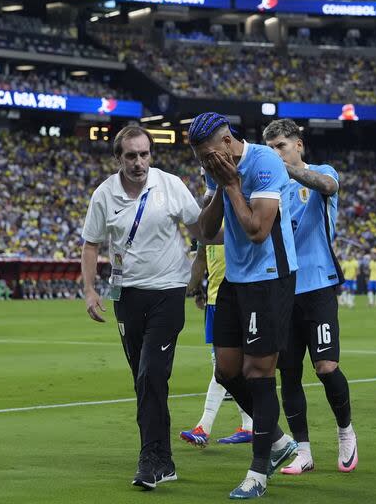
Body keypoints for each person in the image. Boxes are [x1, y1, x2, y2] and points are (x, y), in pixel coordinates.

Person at [81, 125, 204, 491]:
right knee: (145, 381)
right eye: (131, 155)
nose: (139, 162)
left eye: (145, 154)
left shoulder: (170, 185)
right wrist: (89, 290)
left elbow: (201, 229)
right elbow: (91, 244)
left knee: (151, 374)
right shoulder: (104, 194)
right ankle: (163, 460)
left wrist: (201, 275)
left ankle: (150, 459)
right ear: (118, 158)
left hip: (168, 290)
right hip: (126, 296)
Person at [192, 112, 298, 499]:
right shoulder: (214, 169)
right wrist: (220, 185)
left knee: (258, 373)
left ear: (227, 141)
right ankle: (279, 441)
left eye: (209, 155)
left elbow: (256, 231)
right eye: (201, 159)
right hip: (236, 280)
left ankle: (258, 473)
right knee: (226, 370)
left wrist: (233, 183)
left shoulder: (266, 162)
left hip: (271, 277)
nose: (206, 163)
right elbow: (205, 232)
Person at [263, 118, 357, 476]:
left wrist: (286, 170)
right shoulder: (268, 185)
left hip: (318, 283)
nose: (275, 154)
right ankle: (303, 450)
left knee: (326, 367)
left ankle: (345, 431)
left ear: (298, 144)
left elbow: (328, 185)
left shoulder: (320, 172)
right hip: (282, 286)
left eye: (281, 146)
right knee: (288, 373)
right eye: (269, 149)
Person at [180, 231, 254, 447]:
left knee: (223, 367)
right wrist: (195, 290)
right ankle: (249, 424)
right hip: (214, 301)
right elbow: (202, 257)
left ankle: (204, 427)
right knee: (227, 367)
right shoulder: (209, 217)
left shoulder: (235, 212)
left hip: (236, 298)